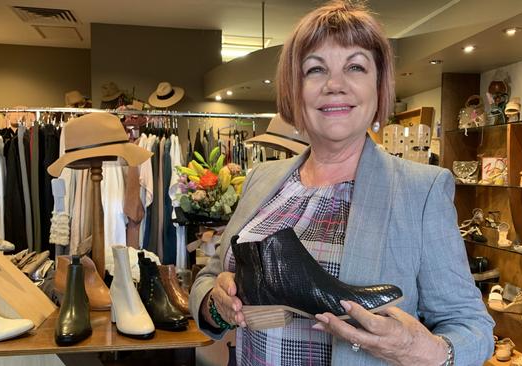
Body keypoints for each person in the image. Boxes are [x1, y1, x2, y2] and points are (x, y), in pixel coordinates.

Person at [190, 2, 494, 365]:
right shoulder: (262, 179)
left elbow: (472, 326)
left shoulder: (421, 191)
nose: (335, 85)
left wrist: (422, 350)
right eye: (315, 70)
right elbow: (210, 276)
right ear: (295, 90)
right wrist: (217, 304)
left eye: (355, 67)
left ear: (379, 86)